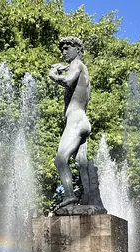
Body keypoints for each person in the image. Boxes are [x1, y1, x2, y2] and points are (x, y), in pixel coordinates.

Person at [49, 36, 92, 208]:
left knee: (60, 160)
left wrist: (53, 75)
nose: (64, 51)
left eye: (68, 48)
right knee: (81, 164)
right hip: (82, 119)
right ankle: (89, 199)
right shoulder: (84, 69)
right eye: (62, 49)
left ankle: (69, 196)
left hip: (75, 119)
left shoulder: (77, 64)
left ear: (78, 50)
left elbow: (68, 80)